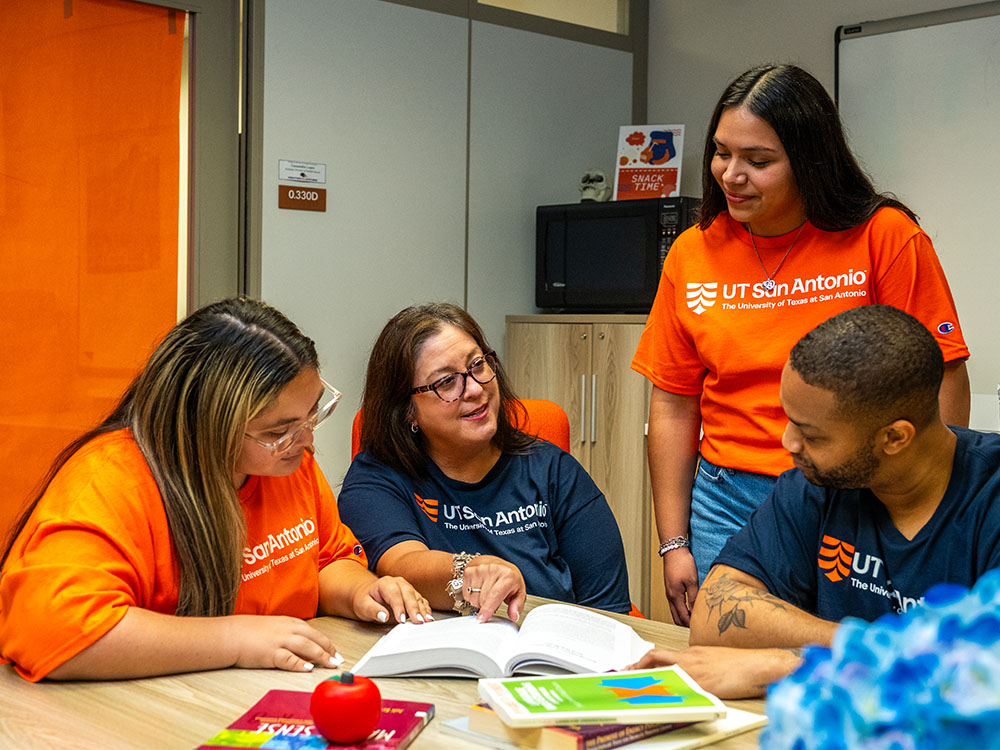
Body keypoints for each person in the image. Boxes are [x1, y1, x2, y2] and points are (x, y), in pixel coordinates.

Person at [631, 62, 971, 626]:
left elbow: (942, 376)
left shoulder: (885, 236)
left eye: (758, 161)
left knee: (861, 660)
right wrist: (674, 542)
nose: (730, 175)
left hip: (857, 490)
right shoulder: (693, 253)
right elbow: (672, 401)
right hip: (727, 497)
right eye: (721, 153)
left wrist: (927, 503)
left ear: (810, 161)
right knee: (730, 667)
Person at [0, 298, 431, 682]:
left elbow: (325, 559)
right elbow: (52, 630)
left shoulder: (287, 462)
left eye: (313, 412)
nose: (307, 441)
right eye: (279, 430)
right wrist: (234, 639)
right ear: (205, 426)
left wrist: (359, 591)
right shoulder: (110, 480)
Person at [629, 305, 1000, 698]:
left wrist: (787, 663)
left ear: (895, 438)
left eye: (812, 435)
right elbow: (713, 614)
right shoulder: (818, 485)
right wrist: (856, 649)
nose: (788, 443)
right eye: (790, 420)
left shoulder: (987, 497)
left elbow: (985, 677)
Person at [338, 302, 632, 622]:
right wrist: (473, 570)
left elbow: (608, 610)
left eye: (477, 365)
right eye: (447, 382)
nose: (476, 389)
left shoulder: (554, 471)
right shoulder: (377, 475)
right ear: (407, 410)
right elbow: (401, 564)